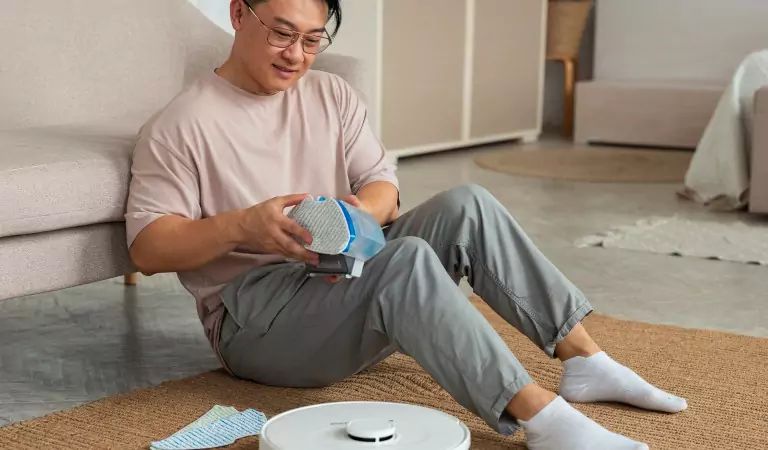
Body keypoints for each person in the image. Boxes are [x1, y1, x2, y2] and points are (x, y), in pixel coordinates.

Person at [125, 0, 687, 448]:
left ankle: (585, 360)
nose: (296, 54)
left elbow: (383, 184)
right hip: (253, 321)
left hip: (338, 273)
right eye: (281, 32)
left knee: (467, 203)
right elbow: (148, 249)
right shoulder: (181, 125)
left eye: (312, 39)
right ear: (238, 13)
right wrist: (243, 226)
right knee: (407, 260)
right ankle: (541, 420)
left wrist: (354, 216)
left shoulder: (329, 94)